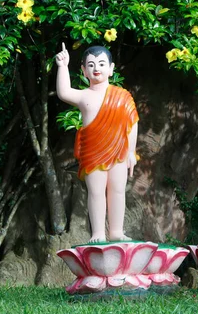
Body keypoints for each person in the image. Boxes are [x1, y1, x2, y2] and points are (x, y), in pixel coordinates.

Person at [55, 43, 139, 243]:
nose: (96, 69)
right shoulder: (84, 95)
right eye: (91, 65)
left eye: (101, 64)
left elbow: (132, 123)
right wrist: (62, 66)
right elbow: (64, 92)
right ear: (84, 70)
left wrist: (131, 152)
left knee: (118, 190)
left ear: (111, 68)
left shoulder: (123, 96)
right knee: (96, 192)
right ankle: (98, 233)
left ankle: (117, 231)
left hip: (118, 150)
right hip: (93, 152)